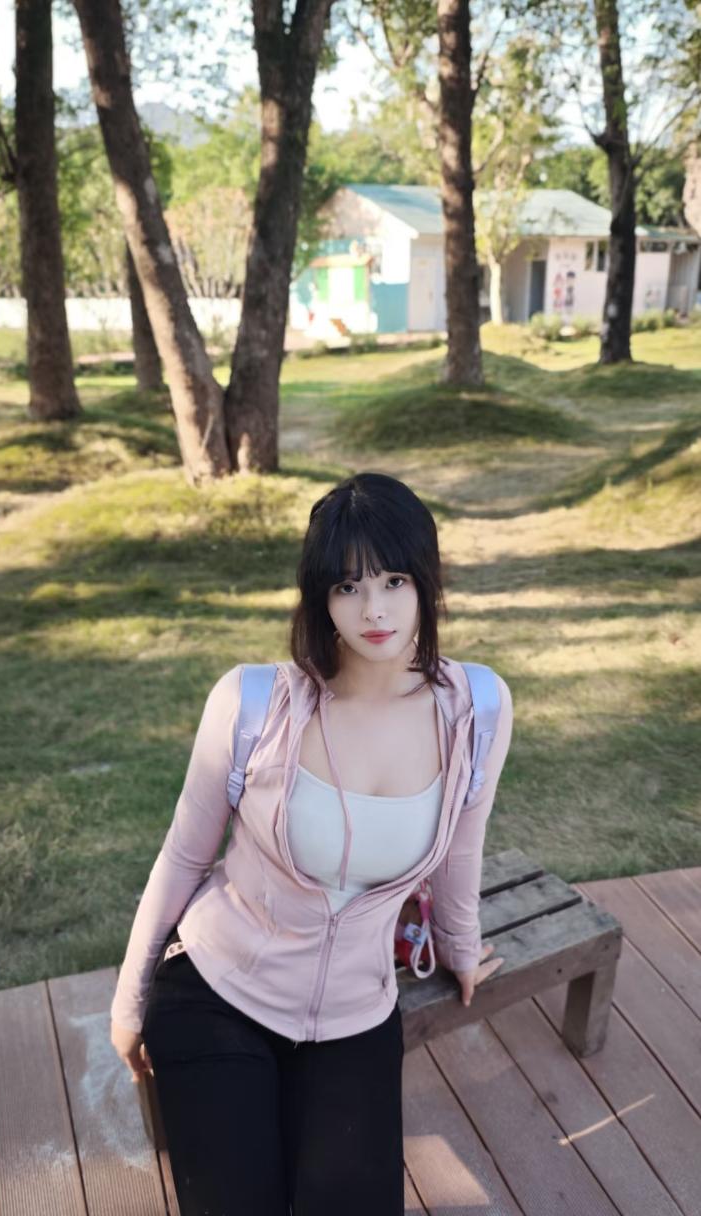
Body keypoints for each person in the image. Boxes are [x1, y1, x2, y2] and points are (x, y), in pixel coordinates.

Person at [110, 471, 514, 1216]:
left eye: (393, 580)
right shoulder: (253, 702)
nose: (374, 609)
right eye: (348, 586)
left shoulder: (478, 707)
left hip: (357, 1010)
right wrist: (129, 1000)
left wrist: (460, 947)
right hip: (218, 990)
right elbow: (183, 857)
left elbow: (461, 851)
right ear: (320, 598)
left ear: (427, 581)